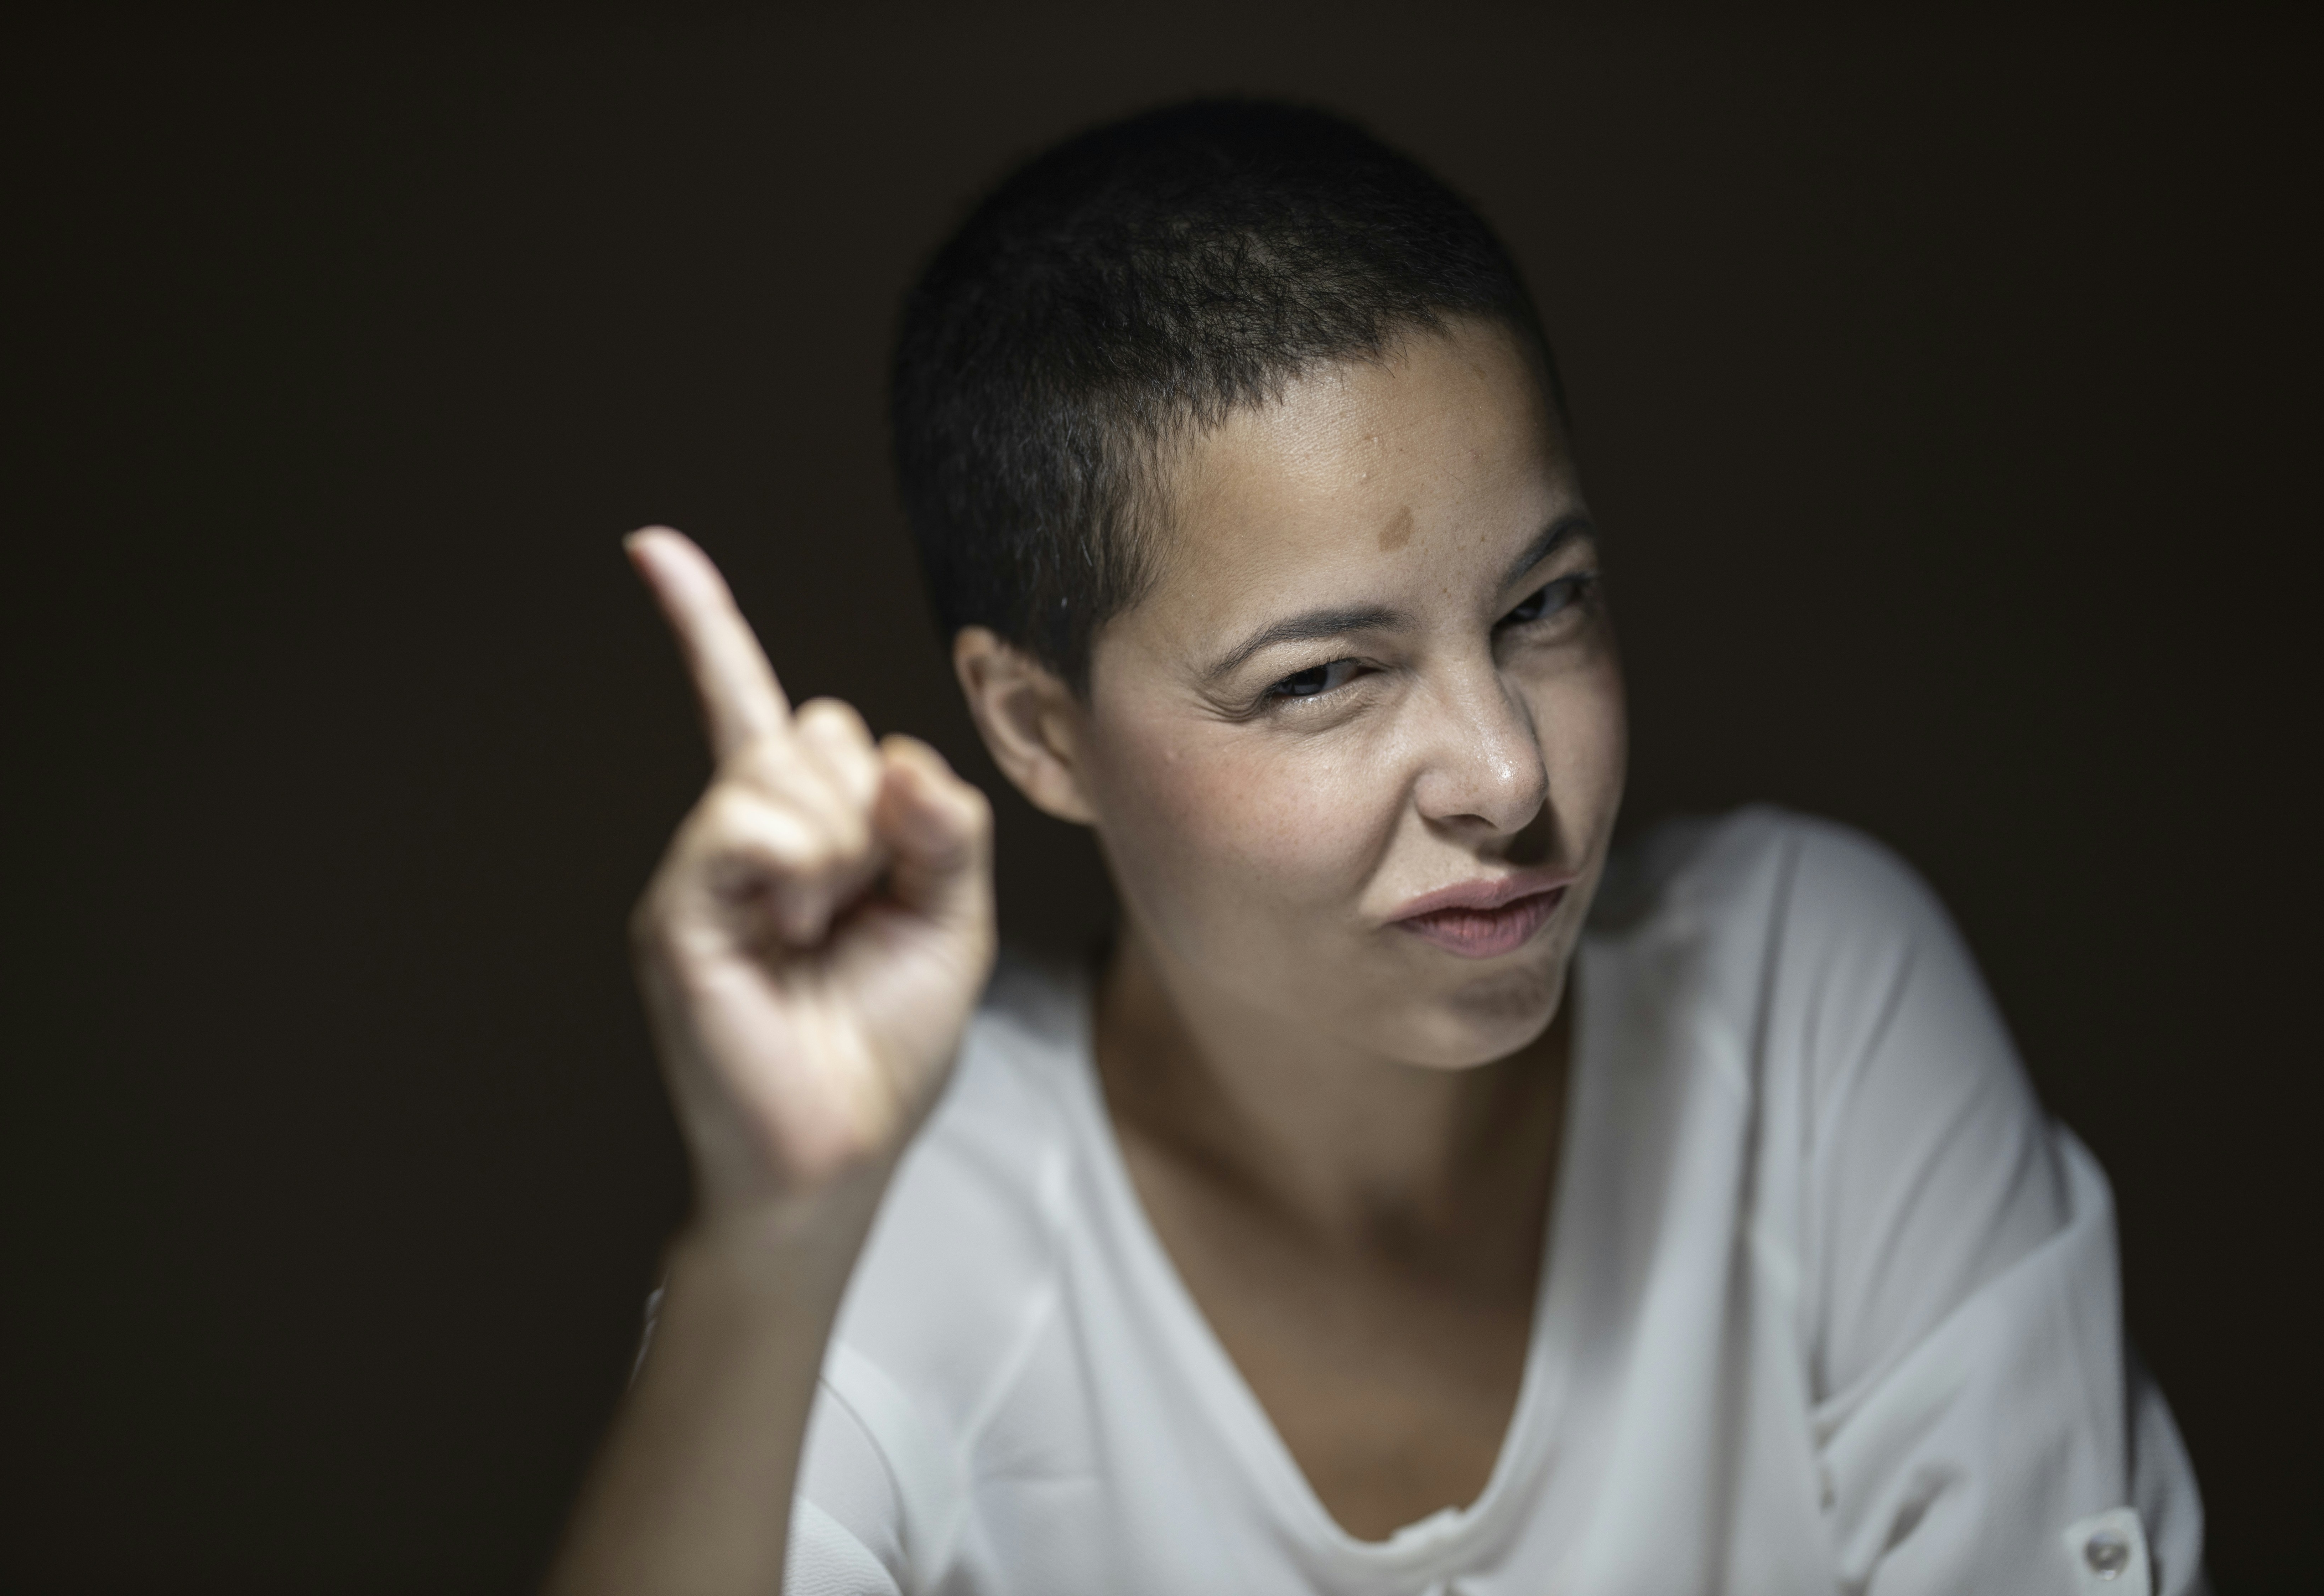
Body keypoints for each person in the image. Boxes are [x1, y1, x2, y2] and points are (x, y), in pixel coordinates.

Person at [542, 102, 2204, 1595]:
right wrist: (772, 1242)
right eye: (1324, 677)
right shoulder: (908, 1233)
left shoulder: (1805, 1006)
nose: (1507, 770)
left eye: (1545, 606)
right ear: (1040, 730)